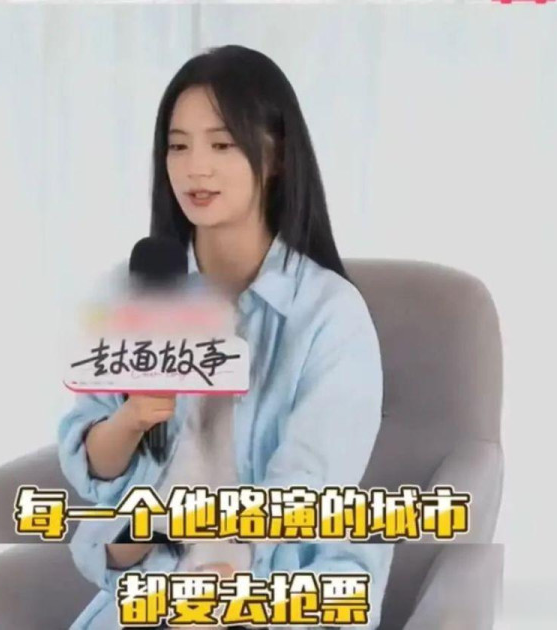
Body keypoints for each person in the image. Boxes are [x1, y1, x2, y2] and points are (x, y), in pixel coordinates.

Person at [58, 44, 393, 630]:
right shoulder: (140, 298)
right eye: (178, 146)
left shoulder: (330, 316)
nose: (196, 169)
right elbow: (95, 476)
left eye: (221, 145)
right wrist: (133, 423)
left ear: (277, 154)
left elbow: (304, 491)